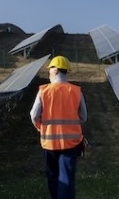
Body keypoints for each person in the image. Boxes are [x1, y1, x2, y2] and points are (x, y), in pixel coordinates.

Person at [30, 55, 87, 199]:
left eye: (49, 70)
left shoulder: (44, 91)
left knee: (53, 176)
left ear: (55, 71)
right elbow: (84, 117)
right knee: (66, 178)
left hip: (49, 144)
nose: (48, 73)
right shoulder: (76, 91)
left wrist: (40, 127)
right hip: (71, 143)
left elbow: (34, 114)